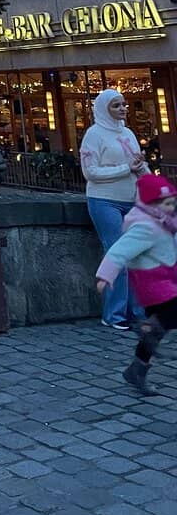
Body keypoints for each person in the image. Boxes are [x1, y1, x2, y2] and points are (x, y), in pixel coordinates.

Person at [96, 173, 177, 395]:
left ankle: (136, 370)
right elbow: (119, 251)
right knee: (171, 314)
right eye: (167, 204)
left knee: (155, 335)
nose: (171, 208)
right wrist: (105, 276)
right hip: (154, 283)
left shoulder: (165, 222)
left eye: (173, 203)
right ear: (152, 204)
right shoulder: (145, 227)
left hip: (166, 279)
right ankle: (147, 327)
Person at [80, 88, 147, 330]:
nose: (123, 109)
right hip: (104, 201)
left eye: (124, 104)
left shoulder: (128, 133)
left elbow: (137, 165)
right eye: (116, 105)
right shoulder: (93, 135)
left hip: (131, 200)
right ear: (104, 108)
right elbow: (90, 172)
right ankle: (113, 315)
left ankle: (137, 311)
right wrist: (125, 169)